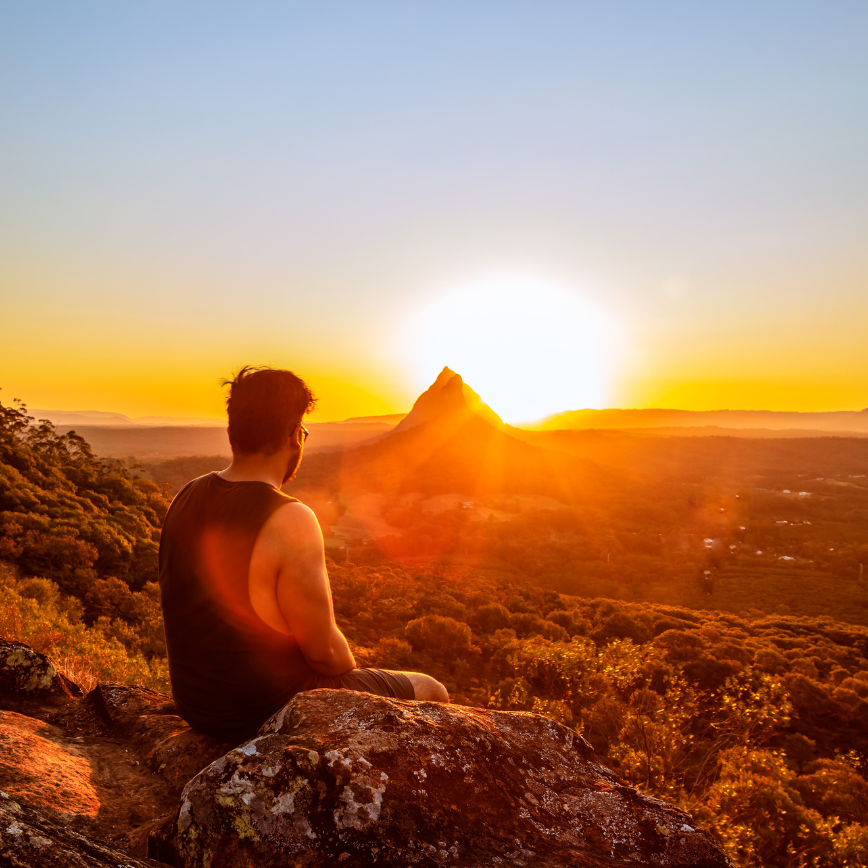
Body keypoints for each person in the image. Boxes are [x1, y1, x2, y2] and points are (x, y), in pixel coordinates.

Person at [158, 365, 448, 743]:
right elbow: (326, 655)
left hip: (195, 707)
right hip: (260, 712)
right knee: (431, 690)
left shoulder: (186, 494)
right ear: (296, 436)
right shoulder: (290, 517)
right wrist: (350, 672)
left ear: (232, 433)